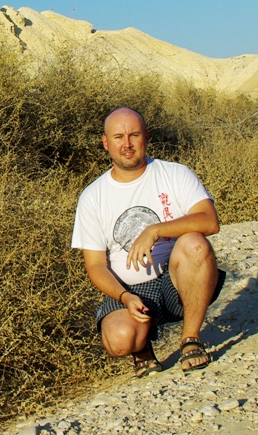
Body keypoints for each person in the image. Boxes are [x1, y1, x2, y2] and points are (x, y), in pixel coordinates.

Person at [71, 107, 225, 377]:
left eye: (134, 135)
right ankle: (142, 352)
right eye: (118, 137)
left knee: (195, 244)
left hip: (174, 280)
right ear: (106, 143)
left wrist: (155, 230)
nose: (127, 144)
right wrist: (124, 296)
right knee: (118, 340)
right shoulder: (93, 196)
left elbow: (209, 221)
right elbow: (95, 265)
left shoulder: (175, 174)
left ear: (147, 137)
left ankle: (190, 341)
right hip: (129, 289)